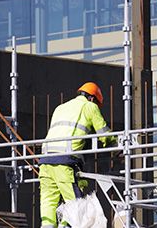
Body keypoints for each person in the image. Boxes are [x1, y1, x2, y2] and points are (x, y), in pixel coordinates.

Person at [39, 82, 117, 228]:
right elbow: (104, 134)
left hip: (45, 160)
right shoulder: (89, 106)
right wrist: (116, 143)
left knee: (48, 200)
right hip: (64, 160)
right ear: (93, 98)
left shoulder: (60, 108)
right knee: (74, 204)